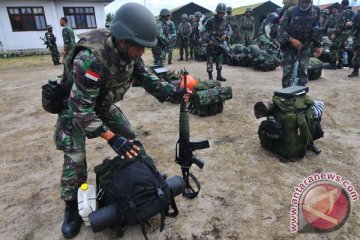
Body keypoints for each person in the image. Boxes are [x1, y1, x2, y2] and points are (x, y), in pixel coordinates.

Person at [54, 3, 186, 238]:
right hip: (74, 108)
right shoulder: (89, 58)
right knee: (76, 158)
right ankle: (71, 208)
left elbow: (145, 76)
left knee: (131, 138)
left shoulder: (129, 53)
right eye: (140, 48)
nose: (143, 53)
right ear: (123, 40)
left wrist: (172, 92)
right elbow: (81, 109)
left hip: (101, 104)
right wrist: (111, 138)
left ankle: (148, 180)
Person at [279, 0, 323, 88]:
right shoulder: (290, 11)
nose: (304, 4)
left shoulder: (316, 11)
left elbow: (317, 29)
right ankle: (286, 95)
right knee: (288, 71)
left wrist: (319, 45)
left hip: (305, 46)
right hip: (289, 46)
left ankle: (300, 93)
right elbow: (281, 29)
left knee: (303, 70)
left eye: (306, 2)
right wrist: (291, 39)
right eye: (302, 2)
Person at [200, 3, 232, 81]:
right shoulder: (210, 20)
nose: (221, 14)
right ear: (217, 12)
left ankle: (219, 76)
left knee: (219, 59)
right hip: (211, 43)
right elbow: (201, 31)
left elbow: (230, 30)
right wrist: (208, 40)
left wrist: (226, 35)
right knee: (210, 60)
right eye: (219, 12)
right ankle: (210, 77)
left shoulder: (225, 20)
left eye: (222, 13)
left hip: (220, 43)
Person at [329, 0, 354, 69]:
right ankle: (340, 63)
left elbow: (339, 25)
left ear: (342, 5)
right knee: (342, 47)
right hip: (347, 33)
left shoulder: (344, 13)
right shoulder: (352, 12)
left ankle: (333, 64)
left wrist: (334, 33)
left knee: (334, 47)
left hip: (340, 33)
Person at [348, 9, 360, 77]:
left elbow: (352, 25)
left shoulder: (357, 16)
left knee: (357, 54)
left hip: (357, 37)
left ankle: (355, 71)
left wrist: (350, 24)